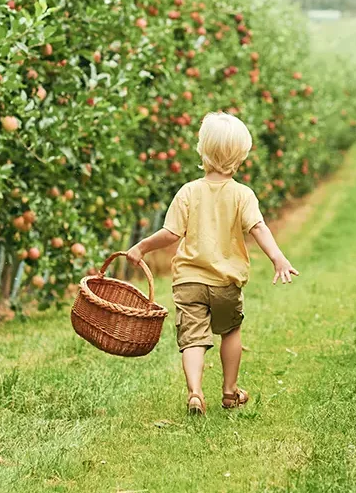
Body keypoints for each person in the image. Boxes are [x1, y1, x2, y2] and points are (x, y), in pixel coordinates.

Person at [126, 112, 298, 414]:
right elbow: (258, 228)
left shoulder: (188, 192)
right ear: (241, 156)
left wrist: (141, 247)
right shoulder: (243, 195)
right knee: (230, 331)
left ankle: (194, 392)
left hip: (189, 282)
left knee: (192, 339)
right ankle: (230, 392)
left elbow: (170, 234)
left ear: (202, 150)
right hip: (225, 283)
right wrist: (278, 258)